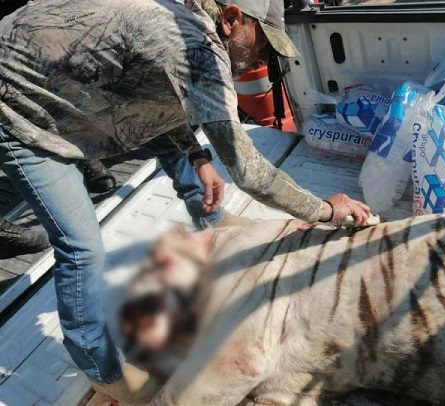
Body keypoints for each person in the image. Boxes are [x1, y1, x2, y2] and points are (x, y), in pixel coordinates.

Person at [0, 0, 372, 403]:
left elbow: (147, 95)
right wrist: (326, 210)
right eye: (262, 44)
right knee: (82, 248)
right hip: (16, 102)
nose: (262, 59)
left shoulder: (190, 22)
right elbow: (249, 172)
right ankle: (101, 369)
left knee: (189, 153)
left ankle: (211, 219)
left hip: (66, 81)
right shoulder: (194, 47)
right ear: (232, 19)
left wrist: (198, 157)